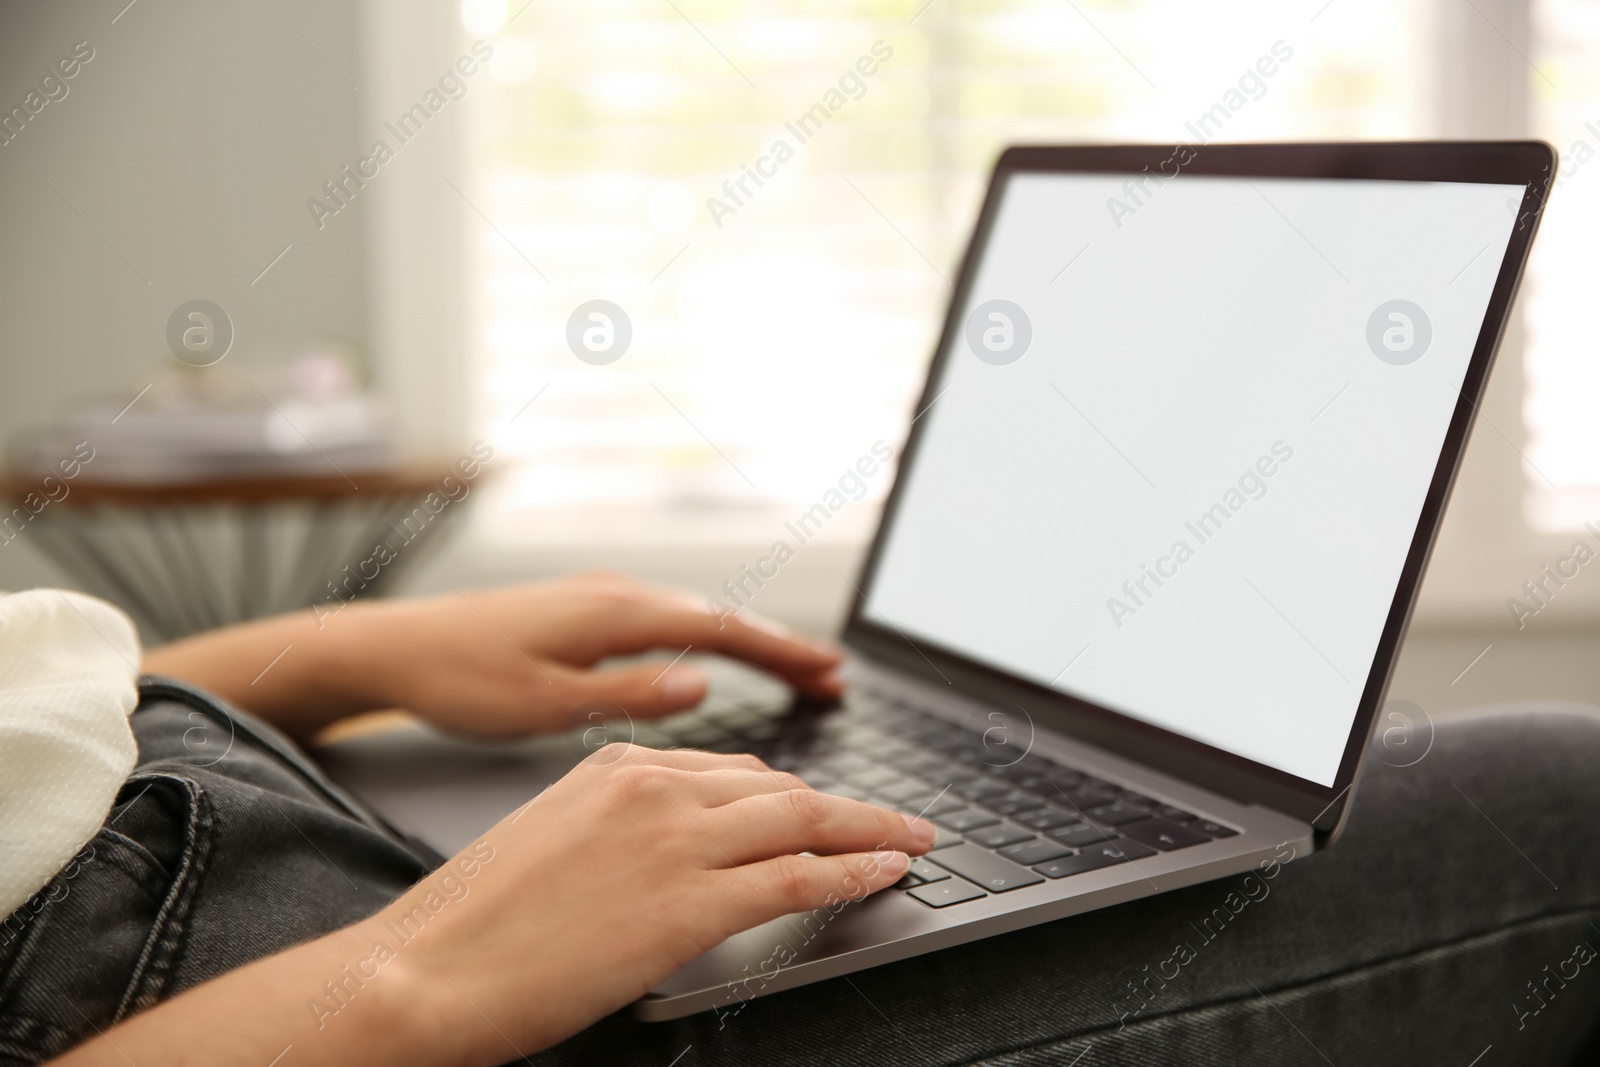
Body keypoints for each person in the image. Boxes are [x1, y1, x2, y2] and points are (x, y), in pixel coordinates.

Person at [2, 574, 1597, 1066]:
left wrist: (336, 660)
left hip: (201, 792)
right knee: (1569, 805)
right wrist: (410, 980)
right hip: (278, 1015)